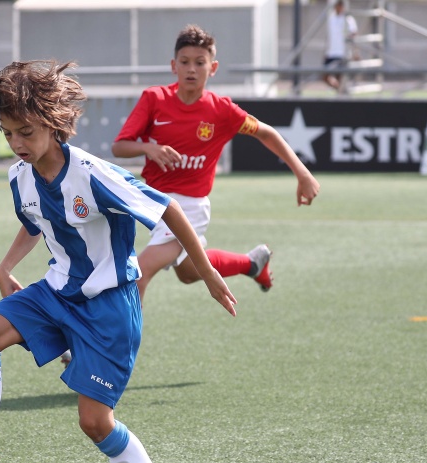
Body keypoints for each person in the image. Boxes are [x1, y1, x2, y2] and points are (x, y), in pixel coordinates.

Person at [0, 60, 237, 463]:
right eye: (8, 134)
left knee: (94, 422)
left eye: (26, 132)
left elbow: (165, 206)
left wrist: (205, 271)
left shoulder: (92, 174)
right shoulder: (18, 176)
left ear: (53, 122)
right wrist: (6, 267)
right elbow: (35, 219)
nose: (18, 144)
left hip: (110, 308)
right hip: (56, 291)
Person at [112, 24, 320, 304]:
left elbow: (266, 132)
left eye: (200, 62)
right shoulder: (154, 99)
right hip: (155, 202)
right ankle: (252, 263)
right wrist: (149, 148)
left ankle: (119, 348)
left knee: (140, 272)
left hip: (190, 208)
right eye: (185, 62)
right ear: (173, 66)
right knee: (187, 272)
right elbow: (119, 147)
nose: (192, 69)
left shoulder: (221, 110)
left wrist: (302, 173)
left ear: (213, 67)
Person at [323, 0, 358, 91]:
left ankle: (340, 94)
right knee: (325, 75)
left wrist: (355, 52)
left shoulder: (348, 19)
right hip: (331, 52)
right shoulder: (331, 18)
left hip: (342, 53)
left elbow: (353, 36)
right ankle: (339, 90)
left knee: (339, 76)